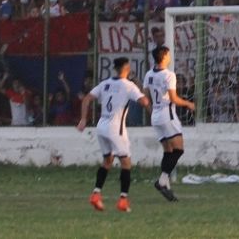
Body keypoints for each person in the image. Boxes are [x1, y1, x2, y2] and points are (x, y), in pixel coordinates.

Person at [77, 57, 149, 213]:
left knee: (108, 160)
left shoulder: (105, 84)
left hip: (101, 126)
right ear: (126, 68)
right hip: (116, 128)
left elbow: (87, 99)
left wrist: (83, 119)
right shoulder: (129, 86)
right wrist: (138, 86)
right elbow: (145, 102)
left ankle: (96, 194)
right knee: (126, 163)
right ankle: (123, 200)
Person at [144, 46, 195, 202]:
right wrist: (188, 104)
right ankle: (162, 180)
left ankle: (165, 184)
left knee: (168, 150)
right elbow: (174, 98)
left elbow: (145, 96)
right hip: (168, 115)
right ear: (165, 56)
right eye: (169, 54)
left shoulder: (149, 74)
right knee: (179, 150)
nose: (170, 56)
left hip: (156, 116)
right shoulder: (169, 75)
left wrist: (152, 111)